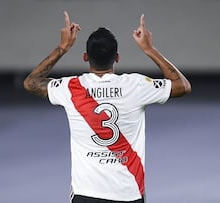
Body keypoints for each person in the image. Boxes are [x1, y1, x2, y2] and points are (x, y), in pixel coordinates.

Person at [24, 11, 191, 203]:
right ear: (117, 57)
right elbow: (182, 86)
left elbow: (31, 82)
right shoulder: (135, 85)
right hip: (128, 194)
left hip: (85, 195)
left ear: (85, 57)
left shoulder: (71, 88)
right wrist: (149, 49)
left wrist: (62, 47)